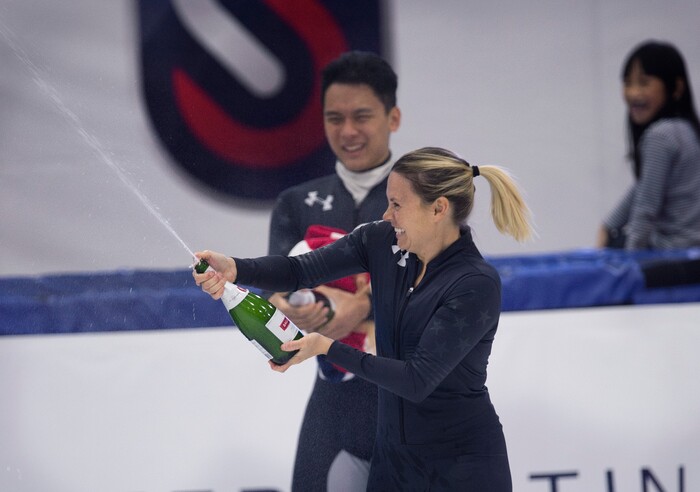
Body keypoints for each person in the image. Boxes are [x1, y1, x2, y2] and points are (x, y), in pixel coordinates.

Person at [194, 146, 533, 491]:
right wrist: (236, 267)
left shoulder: (475, 283)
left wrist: (326, 347)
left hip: (460, 470)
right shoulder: (381, 241)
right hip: (392, 466)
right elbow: (299, 270)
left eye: (397, 204)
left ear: (439, 209)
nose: (387, 215)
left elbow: (416, 379)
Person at [266, 51, 401, 491]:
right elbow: (276, 297)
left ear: (393, 117)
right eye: (334, 118)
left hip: (410, 402)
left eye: (361, 116)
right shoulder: (295, 204)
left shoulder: (427, 195)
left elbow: (443, 291)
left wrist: (357, 309)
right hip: (334, 407)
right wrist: (292, 310)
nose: (348, 132)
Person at [597, 40, 700, 250]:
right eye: (628, 83)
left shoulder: (660, 136)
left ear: (676, 87)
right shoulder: (688, 131)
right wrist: (607, 226)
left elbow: (645, 210)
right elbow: (644, 187)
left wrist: (632, 267)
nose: (633, 93)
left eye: (644, 83)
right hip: (690, 250)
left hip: (672, 252)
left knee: (621, 244)